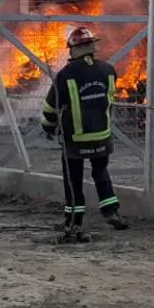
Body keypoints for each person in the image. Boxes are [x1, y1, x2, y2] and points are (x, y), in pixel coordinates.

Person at [42, 27, 128, 243]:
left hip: (75, 139)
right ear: (92, 46)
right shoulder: (108, 70)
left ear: (73, 50)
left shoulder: (65, 75)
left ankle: (74, 222)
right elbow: (108, 100)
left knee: (74, 181)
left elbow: (51, 108)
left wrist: (48, 127)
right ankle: (112, 212)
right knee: (101, 172)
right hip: (101, 134)